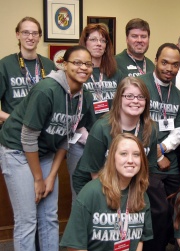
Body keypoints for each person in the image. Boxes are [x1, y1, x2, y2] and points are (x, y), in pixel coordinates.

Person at [0, 45, 96, 251]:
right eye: (77, 62)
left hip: (45, 153)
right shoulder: (47, 90)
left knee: (49, 215)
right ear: (64, 65)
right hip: (17, 150)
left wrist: (51, 176)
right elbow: (28, 137)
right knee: (27, 219)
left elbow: (66, 136)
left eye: (88, 64)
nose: (83, 68)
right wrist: (38, 179)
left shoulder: (84, 98)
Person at [60, 133, 153, 251]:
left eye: (136, 155)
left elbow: (140, 240)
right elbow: (74, 246)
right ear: (112, 158)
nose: (130, 160)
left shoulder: (141, 195)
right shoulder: (91, 193)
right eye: (123, 154)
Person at [66, 23, 123, 201]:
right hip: (80, 141)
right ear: (85, 42)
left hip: (110, 140)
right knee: (82, 194)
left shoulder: (115, 73)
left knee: (109, 193)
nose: (99, 44)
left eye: (103, 40)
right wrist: (82, 133)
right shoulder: (77, 71)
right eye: (93, 39)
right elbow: (67, 105)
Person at [138, 43, 180, 250]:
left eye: (175, 65)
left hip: (171, 162)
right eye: (165, 62)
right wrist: (156, 155)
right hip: (146, 162)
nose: (169, 68)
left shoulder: (177, 95)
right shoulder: (140, 85)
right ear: (156, 60)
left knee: (176, 209)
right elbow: (134, 123)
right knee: (155, 212)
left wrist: (163, 149)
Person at [72, 76, 157, 194]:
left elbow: (147, 171)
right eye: (129, 96)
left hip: (129, 185)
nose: (136, 101)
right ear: (119, 99)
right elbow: (95, 172)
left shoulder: (150, 129)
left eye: (141, 97)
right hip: (94, 184)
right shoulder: (102, 128)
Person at [0, 16, 56, 124]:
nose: (30, 37)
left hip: (43, 131)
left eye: (35, 33)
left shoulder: (49, 65)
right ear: (18, 35)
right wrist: (15, 119)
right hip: (15, 131)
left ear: (39, 36)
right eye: (25, 32)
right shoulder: (5, 65)